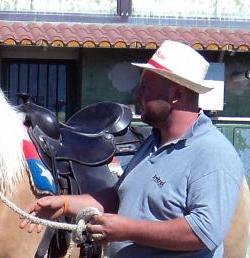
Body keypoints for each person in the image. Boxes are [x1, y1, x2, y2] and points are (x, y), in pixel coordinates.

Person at [19, 40, 244, 258]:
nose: (137, 94)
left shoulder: (212, 153)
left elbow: (204, 232)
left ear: (176, 95)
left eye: (146, 87)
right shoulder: (153, 143)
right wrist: (66, 203)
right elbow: (121, 197)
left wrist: (127, 230)